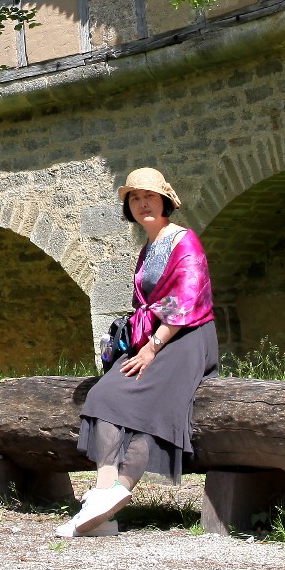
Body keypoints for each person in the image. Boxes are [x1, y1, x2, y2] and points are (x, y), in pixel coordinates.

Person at [56, 166, 218, 538]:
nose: (143, 203)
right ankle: (104, 495)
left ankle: (120, 491)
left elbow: (186, 299)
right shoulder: (148, 248)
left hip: (187, 336)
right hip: (155, 337)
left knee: (155, 406)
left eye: (149, 197)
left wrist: (152, 349)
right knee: (104, 393)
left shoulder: (185, 241)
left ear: (165, 202)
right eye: (135, 198)